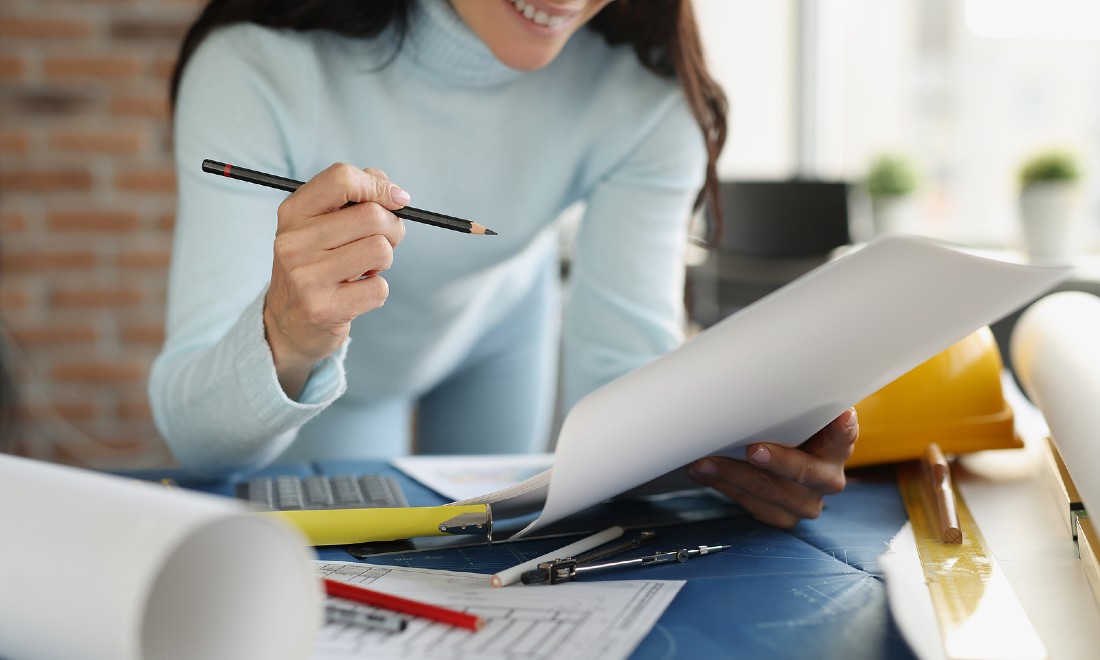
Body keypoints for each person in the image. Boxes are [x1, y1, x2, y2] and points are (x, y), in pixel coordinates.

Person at [150, 0, 857, 529]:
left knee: (494, 542)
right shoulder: (254, 65)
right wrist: (289, 335)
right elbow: (202, 445)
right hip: (335, 373)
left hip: (499, 330)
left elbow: (625, 396)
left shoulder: (649, 98)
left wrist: (736, 451)